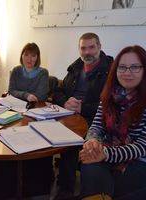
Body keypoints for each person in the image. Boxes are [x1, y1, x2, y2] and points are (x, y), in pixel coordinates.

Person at [80, 45, 146, 200]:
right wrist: (92, 141)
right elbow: (96, 126)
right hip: (112, 151)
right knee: (89, 163)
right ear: (115, 70)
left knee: (118, 187)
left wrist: (105, 154)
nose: (127, 72)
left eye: (135, 67)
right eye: (122, 67)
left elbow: (145, 145)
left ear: (145, 70)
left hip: (145, 160)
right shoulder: (109, 96)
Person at [52, 33, 113, 199]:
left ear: (100, 47)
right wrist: (65, 102)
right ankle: (43, 182)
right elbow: (58, 91)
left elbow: (110, 103)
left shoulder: (110, 70)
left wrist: (82, 108)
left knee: (70, 142)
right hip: (69, 114)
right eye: (83, 48)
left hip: (94, 119)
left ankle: (66, 190)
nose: (87, 52)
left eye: (91, 47)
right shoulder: (76, 67)